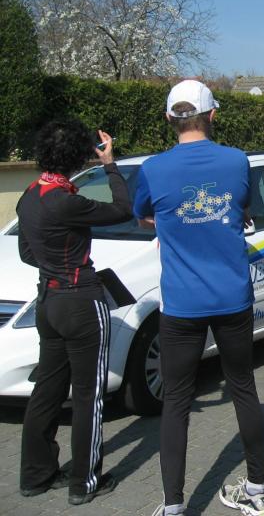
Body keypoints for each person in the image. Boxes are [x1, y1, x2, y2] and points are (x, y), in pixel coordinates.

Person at [133, 80, 264, 516]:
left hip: (181, 304)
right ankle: (257, 491)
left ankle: (173, 506)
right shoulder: (236, 160)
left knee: (176, 401)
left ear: (168, 118)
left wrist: (172, 222)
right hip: (233, 297)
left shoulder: (153, 168)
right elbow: (241, 209)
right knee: (243, 387)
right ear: (212, 116)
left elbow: (144, 216)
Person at [17, 120, 130, 505]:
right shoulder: (67, 200)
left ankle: (36, 475)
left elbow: (26, 253)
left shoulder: (30, 195)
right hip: (80, 301)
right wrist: (110, 164)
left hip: (48, 302)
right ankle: (85, 482)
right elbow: (123, 209)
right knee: (88, 396)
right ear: (78, 157)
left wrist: (54, 267)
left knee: (46, 390)